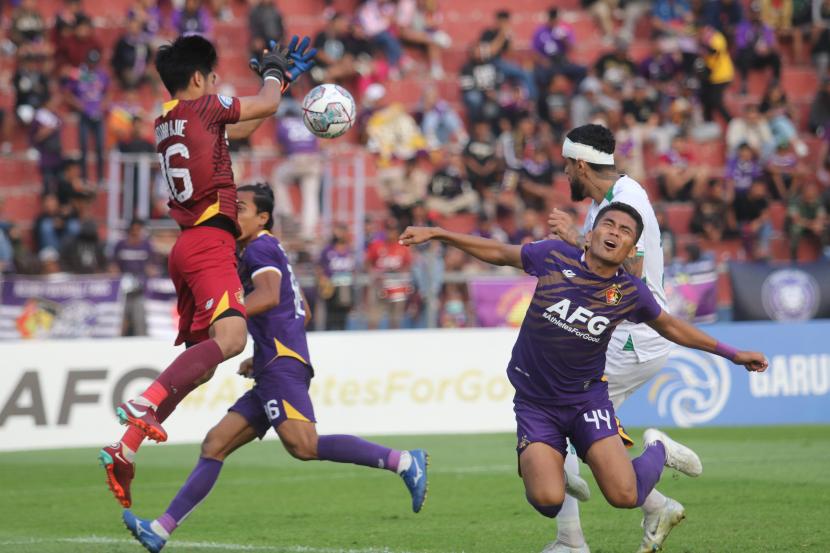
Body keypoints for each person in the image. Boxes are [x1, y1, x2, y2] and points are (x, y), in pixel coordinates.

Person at [399, 203, 767, 553]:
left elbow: (671, 327)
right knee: (546, 500)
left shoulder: (629, 292)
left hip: (586, 401)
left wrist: (733, 354)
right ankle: (547, 460)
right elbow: (498, 252)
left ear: (630, 249)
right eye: (609, 225)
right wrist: (439, 233)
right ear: (589, 234)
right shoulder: (553, 256)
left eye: (625, 232)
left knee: (624, 496)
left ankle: (658, 449)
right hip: (536, 404)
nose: (615, 233)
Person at [121, 184, 429, 552]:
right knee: (215, 444)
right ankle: (160, 529)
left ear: (263, 217)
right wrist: (261, 352)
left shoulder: (260, 248)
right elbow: (302, 309)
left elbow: (268, 297)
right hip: (274, 363)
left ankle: (403, 461)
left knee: (303, 445)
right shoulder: (267, 249)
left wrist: (228, 317)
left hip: (282, 364)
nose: (234, 215)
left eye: (243, 208)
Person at [99, 34, 317, 509]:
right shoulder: (206, 107)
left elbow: (246, 123)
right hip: (210, 241)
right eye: (214, 77)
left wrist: (274, 96)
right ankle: (146, 400)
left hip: (187, 245)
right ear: (199, 79)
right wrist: (275, 78)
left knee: (199, 364)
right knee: (233, 340)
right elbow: (257, 104)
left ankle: (126, 446)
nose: (218, 84)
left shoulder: (165, 121)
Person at [545, 124, 684, 552]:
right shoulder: (604, 202)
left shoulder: (626, 202)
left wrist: (577, 239)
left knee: (562, 416)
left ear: (581, 164)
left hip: (635, 338)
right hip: (620, 335)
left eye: (567, 166)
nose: (565, 173)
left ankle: (571, 541)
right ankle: (655, 505)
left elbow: (632, 274)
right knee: (585, 435)